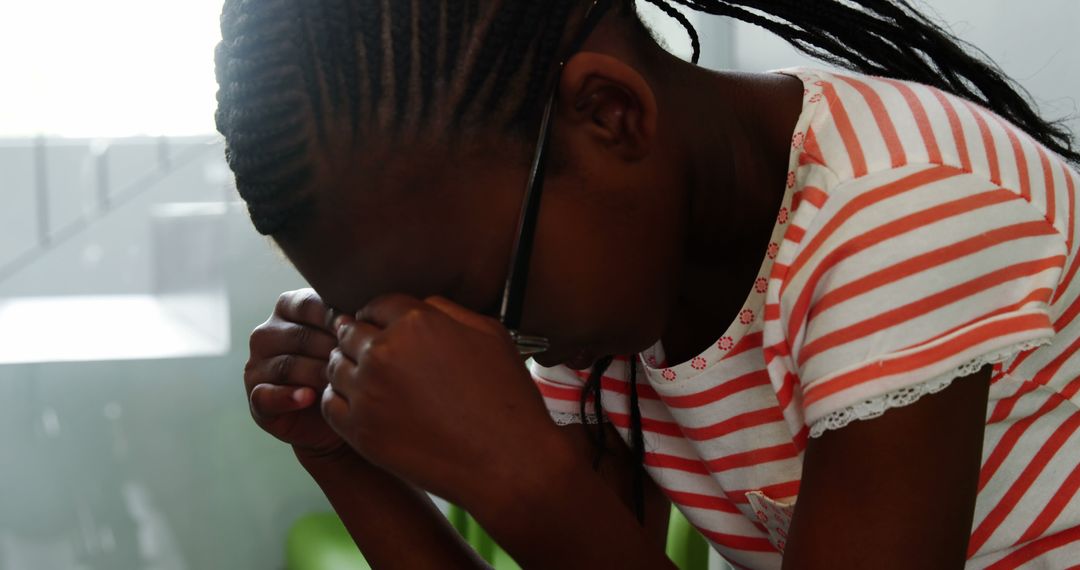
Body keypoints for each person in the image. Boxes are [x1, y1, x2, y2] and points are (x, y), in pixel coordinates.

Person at [217, 1, 1080, 568]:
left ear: (611, 117)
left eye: (472, 302)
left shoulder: (900, 218)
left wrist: (527, 481)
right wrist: (343, 456)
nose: (464, 344)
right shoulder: (586, 268)